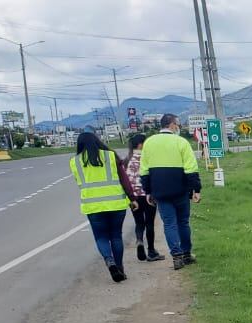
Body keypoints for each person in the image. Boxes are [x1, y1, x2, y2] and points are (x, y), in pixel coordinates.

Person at [69, 130, 136, 283]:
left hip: (93, 206)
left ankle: (109, 260)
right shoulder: (110, 156)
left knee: (101, 237)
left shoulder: (75, 161)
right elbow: (123, 179)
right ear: (98, 141)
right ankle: (119, 268)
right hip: (116, 204)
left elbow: (79, 183)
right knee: (116, 236)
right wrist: (132, 198)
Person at [140, 113, 201, 269]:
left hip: (159, 191)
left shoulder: (149, 142)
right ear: (172, 125)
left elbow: (144, 170)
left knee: (169, 224)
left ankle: (176, 257)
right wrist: (196, 189)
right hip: (180, 189)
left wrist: (147, 191)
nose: (178, 127)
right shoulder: (181, 142)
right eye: (178, 124)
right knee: (183, 222)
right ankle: (187, 254)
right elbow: (191, 168)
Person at [120, 133, 164, 262]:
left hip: (133, 197)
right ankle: (151, 251)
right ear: (141, 144)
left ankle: (139, 241)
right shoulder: (148, 158)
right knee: (150, 223)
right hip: (147, 195)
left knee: (139, 222)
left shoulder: (126, 160)